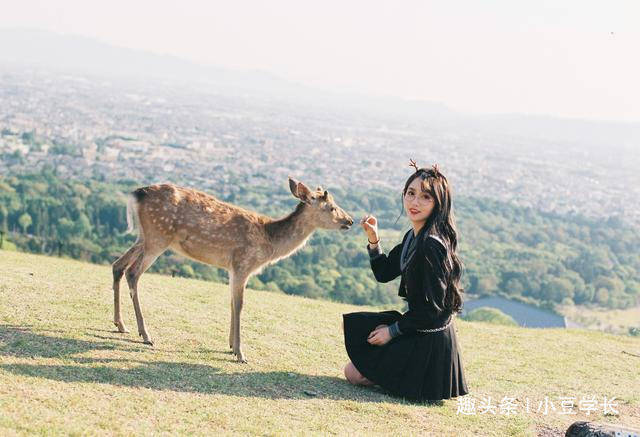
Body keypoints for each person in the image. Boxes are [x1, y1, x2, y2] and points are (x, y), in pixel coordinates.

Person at [342, 160, 469, 402]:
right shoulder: (413, 236)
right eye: (410, 193)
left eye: (425, 197)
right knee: (358, 330)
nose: (414, 202)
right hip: (417, 325)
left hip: (430, 340)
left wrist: (392, 331)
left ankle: (408, 379)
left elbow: (433, 311)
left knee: (353, 373)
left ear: (438, 204)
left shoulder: (432, 245)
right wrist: (373, 240)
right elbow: (384, 273)